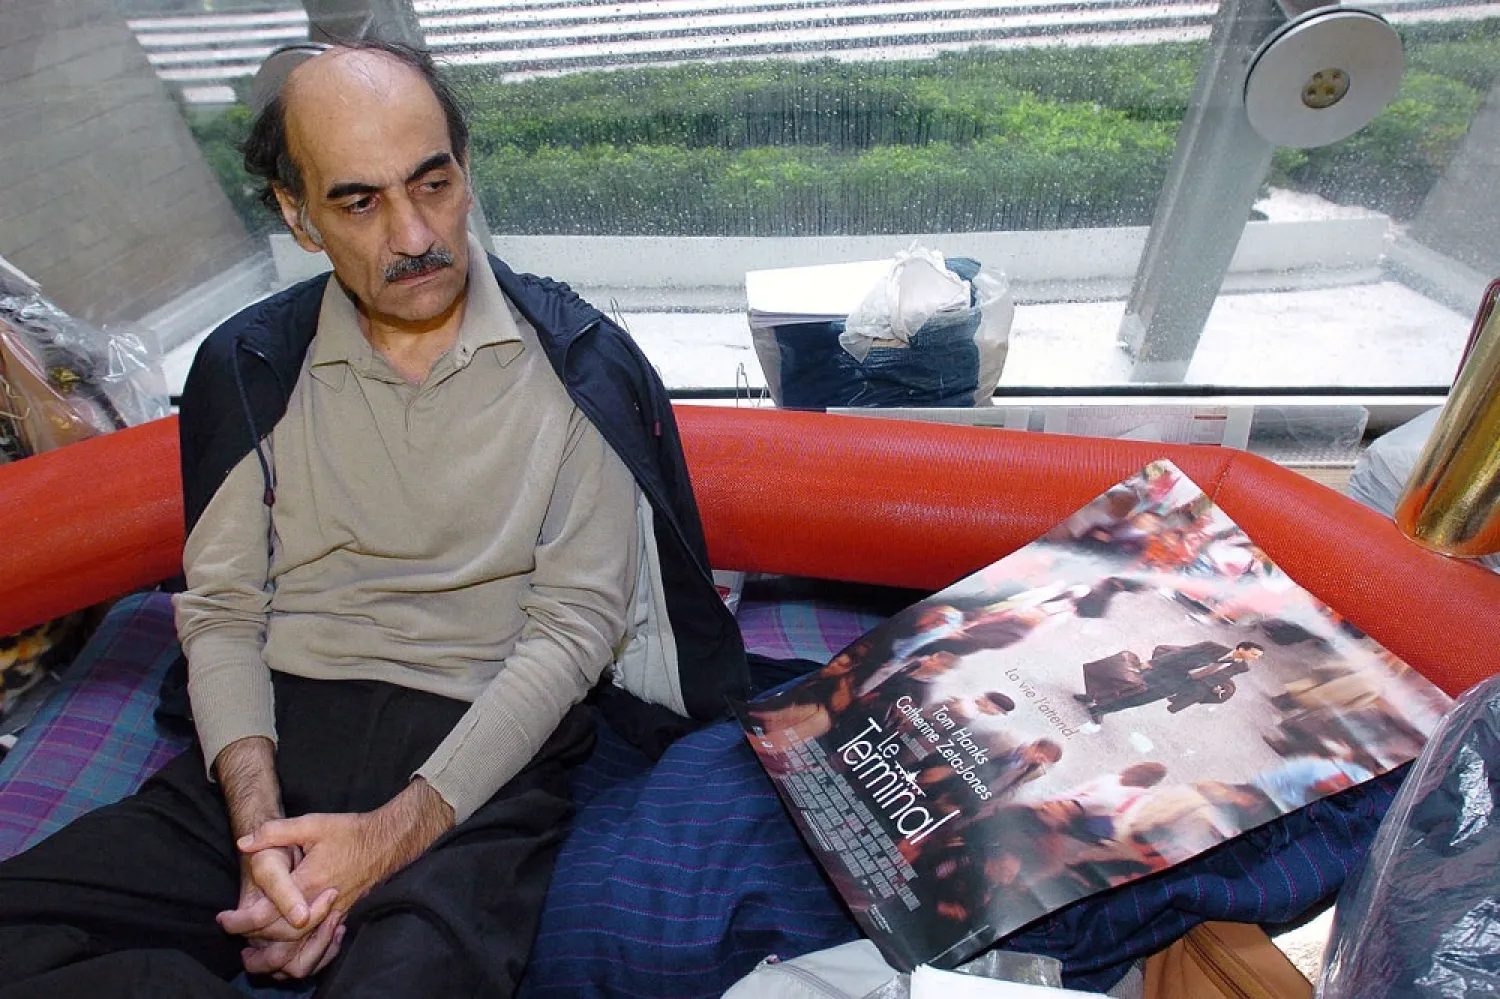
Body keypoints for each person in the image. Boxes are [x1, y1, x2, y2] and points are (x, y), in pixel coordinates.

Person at [0, 40, 746, 997]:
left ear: (466, 173)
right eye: (359, 201)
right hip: (279, 728)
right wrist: (261, 839)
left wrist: (384, 840)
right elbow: (222, 613)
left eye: (432, 183)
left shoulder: (578, 366)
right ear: (296, 215)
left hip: (478, 750)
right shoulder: (249, 366)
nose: (413, 234)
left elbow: (572, 631)